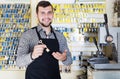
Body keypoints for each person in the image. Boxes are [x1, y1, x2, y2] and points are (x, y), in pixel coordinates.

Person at [16, 1, 72, 79]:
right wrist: (32, 56)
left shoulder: (60, 36)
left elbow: (69, 61)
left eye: (49, 12)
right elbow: (18, 62)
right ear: (37, 15)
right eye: (42, 13)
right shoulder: (28, 35)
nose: (46, 16)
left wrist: (64, 58)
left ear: (53, 14)